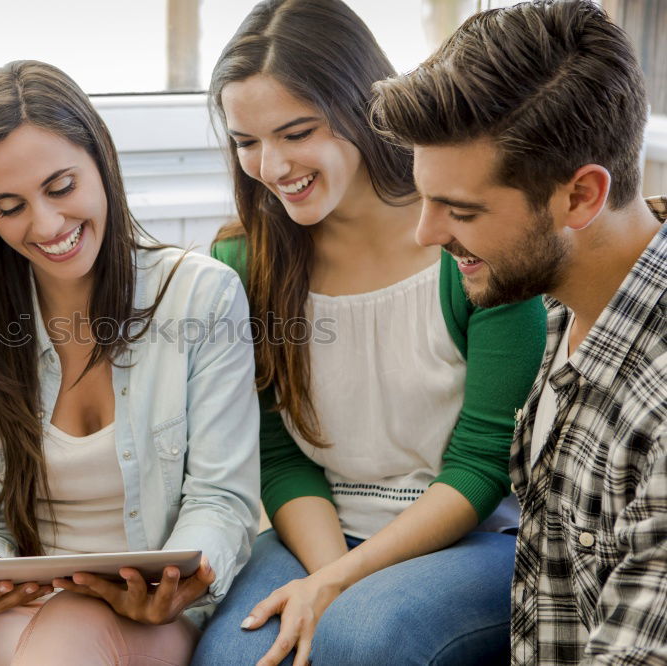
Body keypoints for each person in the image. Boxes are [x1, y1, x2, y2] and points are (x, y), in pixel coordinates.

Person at [191, 1, 547, 664]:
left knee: (367, 636)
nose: (271, 166)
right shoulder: (241, 265)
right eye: (245, 142)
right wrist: (329, 574)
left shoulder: (472, 244)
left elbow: (482, 464)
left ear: (360, 108)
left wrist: (344, 587)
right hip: (322, 529)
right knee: (234, 659)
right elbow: (278, 455)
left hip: (470, 537)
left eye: (296, 132)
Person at [0, 59, 260, 666]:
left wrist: (178, 582)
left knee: (69, 636)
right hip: (12, 610)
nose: (47, 224)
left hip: (148, 616)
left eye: (60, 187)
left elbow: (220, 498)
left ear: (101, 163)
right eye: (9, 206)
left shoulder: (202, 296)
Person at [371, 1, 667, 663]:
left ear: (581, 197)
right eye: (425, 198)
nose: (427, 234)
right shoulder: (566, 301)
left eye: (461, 210)